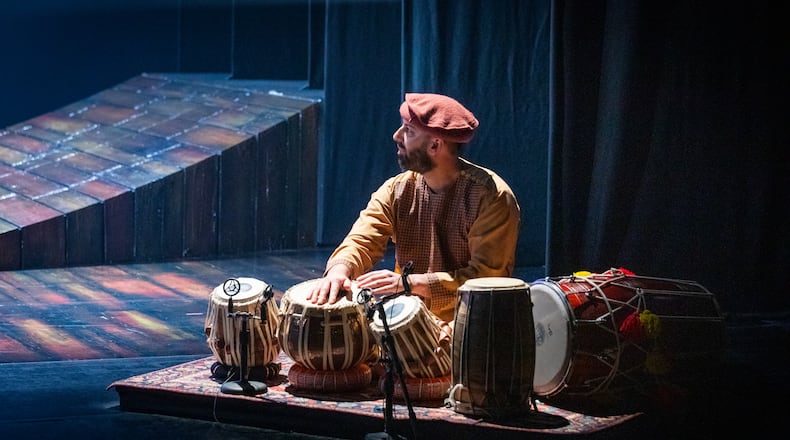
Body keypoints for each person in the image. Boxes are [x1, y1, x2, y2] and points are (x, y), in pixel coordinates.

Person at [307, 93, 520, 323]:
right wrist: (340, 269)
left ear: (435, 144)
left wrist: (410, 283)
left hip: (469, 325)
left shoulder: (491, 197)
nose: (396, 136)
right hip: (408, 319)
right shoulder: (398, 190)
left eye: (409, 131)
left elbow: (486, 279)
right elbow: (362, 239)